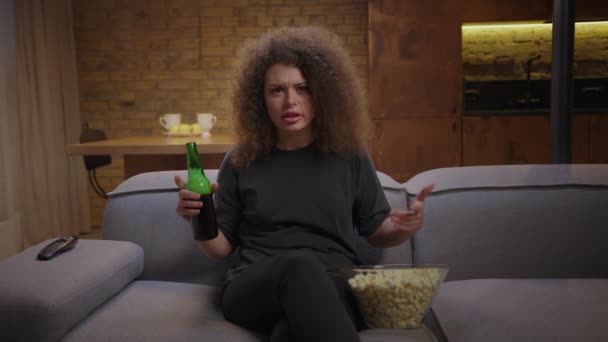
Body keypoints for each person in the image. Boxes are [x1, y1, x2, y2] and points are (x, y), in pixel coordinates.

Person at [175, 26, 434, 342]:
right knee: (299, 265)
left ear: (322, 94)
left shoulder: (349, 156)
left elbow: (377, 232)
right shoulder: (241, 160)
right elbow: (220, 248)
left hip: (334, 284)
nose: (290, 102)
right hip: (256, 287)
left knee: (290, 332)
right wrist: (199, 219)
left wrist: (406, 228)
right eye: (277, 90)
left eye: (303, 88)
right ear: (260, 99)